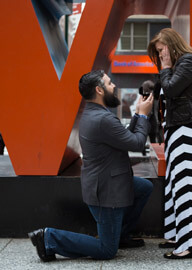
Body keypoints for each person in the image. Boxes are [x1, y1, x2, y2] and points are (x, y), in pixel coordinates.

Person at [28, 70, 154, 262]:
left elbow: (123, 138)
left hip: (106, 180)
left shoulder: (96, 113)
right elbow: (136, 143)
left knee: (144, 188)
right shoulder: (103, 119)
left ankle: (120, 234)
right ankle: (48, 237)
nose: (114, 86)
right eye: (109, 83)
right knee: (106, 249)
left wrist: (137, 114)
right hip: (106, 191)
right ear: (99, 90)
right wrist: (144, 116)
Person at [148, 28, 192, 259]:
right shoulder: (179, 66)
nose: (161, 55)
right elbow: (164, 91)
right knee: (177, 185)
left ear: (172, 45)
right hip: (179, 131)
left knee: (188, 187)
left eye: (161, 49)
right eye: (157, 52)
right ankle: (180, 235)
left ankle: (190, 245)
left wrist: (164, 69)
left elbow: (172, 89)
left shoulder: (189, 61)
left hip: (188, 130)